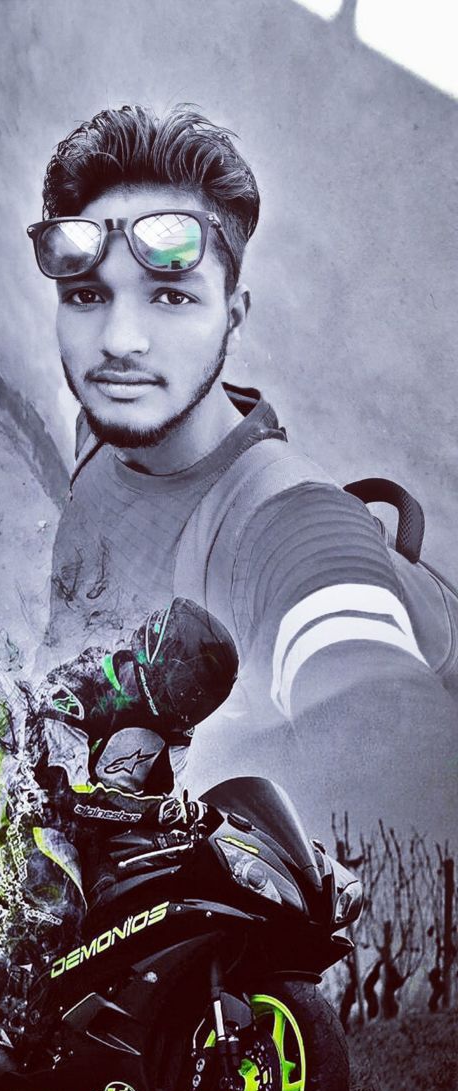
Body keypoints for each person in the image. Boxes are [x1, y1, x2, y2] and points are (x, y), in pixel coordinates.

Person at [26, 103, 458, 835]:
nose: (120, 341)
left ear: (233, 314)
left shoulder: (288, 521)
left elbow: (398, 769)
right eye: (89, 295)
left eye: (171, 296)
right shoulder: (100, 434)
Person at [0, 597, 238, 1037]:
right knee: (61, 908)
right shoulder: (80, 686)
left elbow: (161, 797)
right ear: (162, 655)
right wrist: (155, 812)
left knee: (153, 898)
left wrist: (182, 823)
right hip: (44, 818)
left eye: (202, 698)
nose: (191, 703)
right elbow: (70, 794)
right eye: (188, 687)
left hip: (110, 834)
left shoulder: (178, 728)